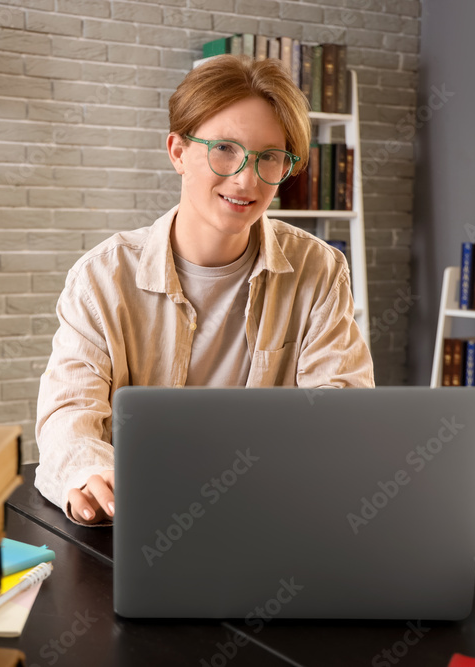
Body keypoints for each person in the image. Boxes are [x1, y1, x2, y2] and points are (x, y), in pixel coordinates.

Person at [34, 54, 374, 525]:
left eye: (269, 158)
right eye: (225, 149)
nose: (246, 179)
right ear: (177, 152)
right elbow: (68, 413)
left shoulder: (318, 269)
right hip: (138, 524)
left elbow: (343, 411)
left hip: (271, 517)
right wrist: (89, 471)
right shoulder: (102, 277)